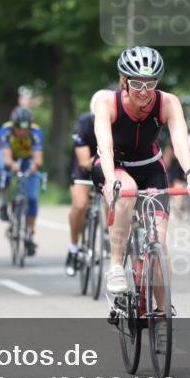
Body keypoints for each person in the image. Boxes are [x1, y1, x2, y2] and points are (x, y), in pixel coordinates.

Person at [93, 46, 190, 303]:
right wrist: (111, 180)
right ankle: (115, 267)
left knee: (159, 243)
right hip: (114, 164)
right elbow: (105, 147)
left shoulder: (168, 102)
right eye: (136, 84)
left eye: (150, 83)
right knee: (126, 190)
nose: (144, 92)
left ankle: (164, 316)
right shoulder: (106, 103)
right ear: (124, 81)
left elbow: (179, 143)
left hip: (150, 167)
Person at [0, 107, 44, 256]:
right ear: (14, 126)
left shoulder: (36, 132)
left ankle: (29, 233)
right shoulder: (5, 131)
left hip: (27, 158)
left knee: (32, 197)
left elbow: (38, 158)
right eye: (19, 128)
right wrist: (12, 165)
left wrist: (34, 167)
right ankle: (4, 202)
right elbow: (6, 157)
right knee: (5, 172)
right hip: (10, 156)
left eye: (26, 128)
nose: (23, 132)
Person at [66, 90, 104, 276]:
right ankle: (73, 249)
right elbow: (83, 162)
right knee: (80, 205)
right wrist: (103, 156)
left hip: (106, 166)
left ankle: (107, 235)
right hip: (85, 167)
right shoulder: (84, 123)